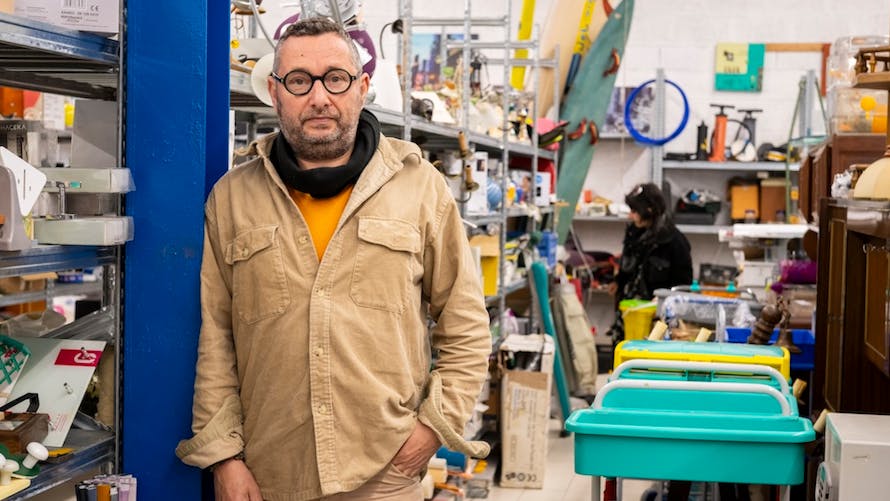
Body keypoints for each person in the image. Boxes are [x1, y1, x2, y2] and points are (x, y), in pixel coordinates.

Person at [176, 17, 491, 500]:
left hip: (385, 472)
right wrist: (225, 458)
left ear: (362, 88)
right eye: (299, 81)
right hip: (269, 473)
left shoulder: (420, 187)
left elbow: (465, 325)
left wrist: (432, 429)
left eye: (336, 79)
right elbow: (216, 338)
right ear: (275, 93)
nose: (319, 97)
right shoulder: (233, 198)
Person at [608, 183, 693, 340]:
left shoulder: (675, 242)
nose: (630, 216)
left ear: (650, 210)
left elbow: (683, 286)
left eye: (634, 211)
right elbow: (627, 266)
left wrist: (663, 301)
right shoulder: (633, 234)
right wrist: (618, 281)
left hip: (657, 321)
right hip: (628, 314)